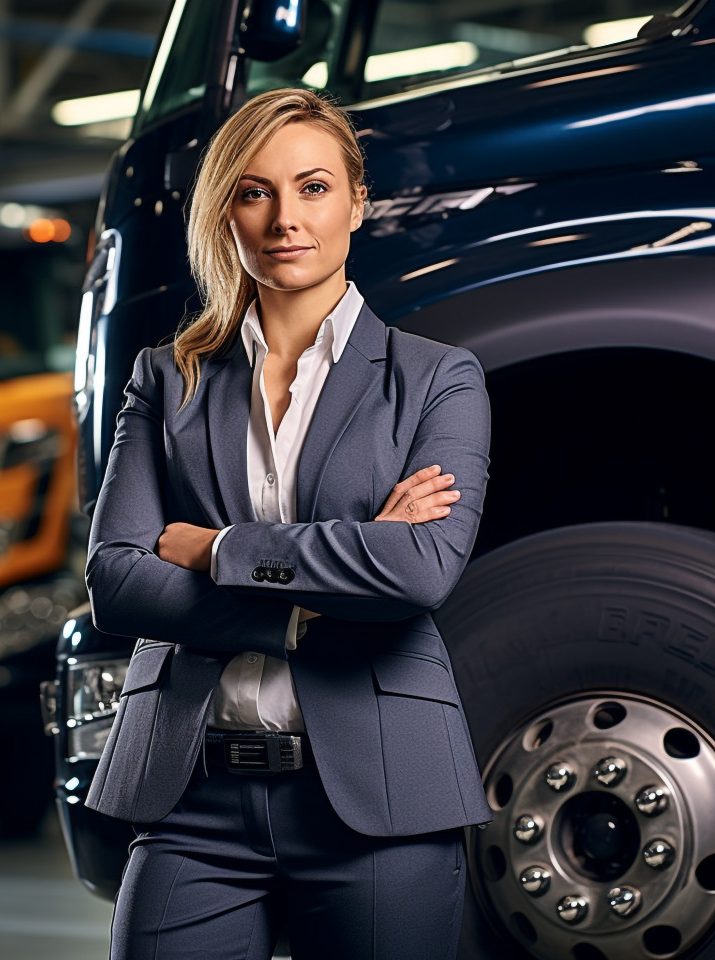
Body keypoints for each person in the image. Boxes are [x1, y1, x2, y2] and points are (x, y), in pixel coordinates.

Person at [85, 88, 492, 960]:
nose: (284, 219)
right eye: (253, 191)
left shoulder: (437, 380)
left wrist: (218, 548)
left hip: (380, 793)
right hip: (191, 798)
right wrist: (312, 604)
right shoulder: (167, 379)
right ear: (224, 213)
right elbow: (118, 581)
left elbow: (419, 571)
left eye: (312, 188)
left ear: (357, 201)